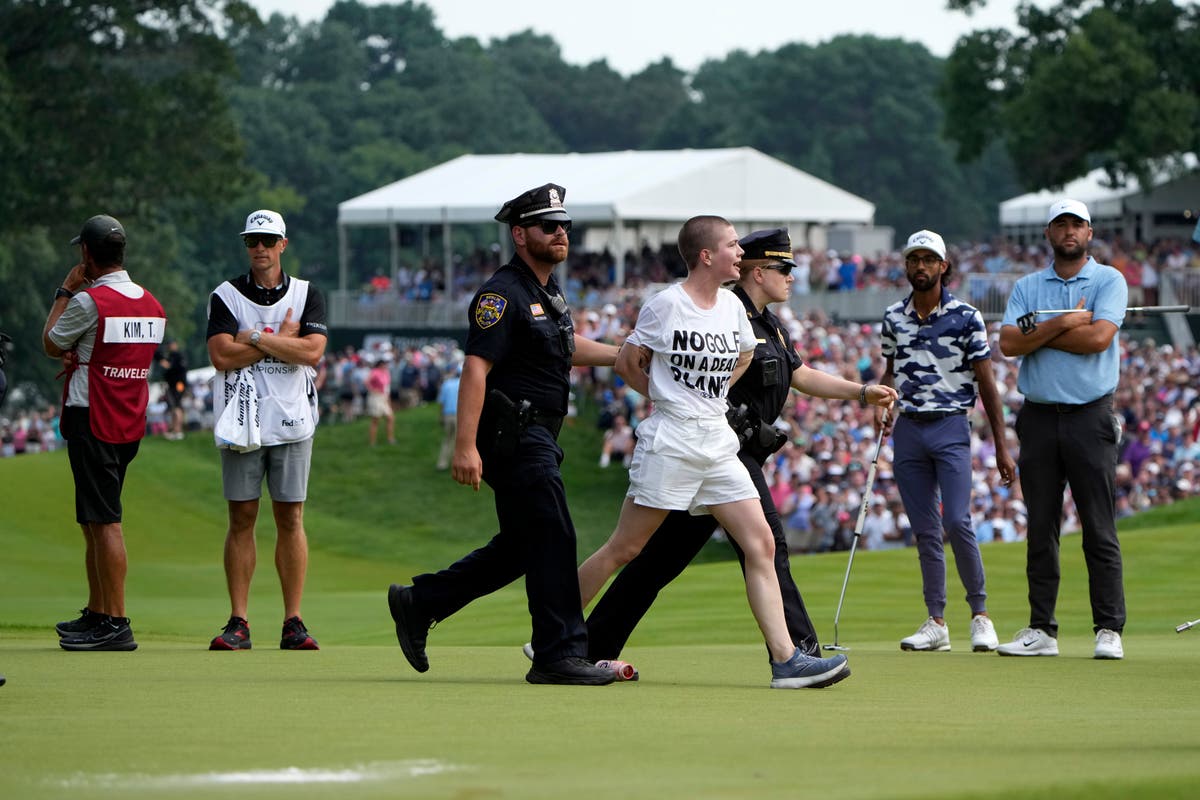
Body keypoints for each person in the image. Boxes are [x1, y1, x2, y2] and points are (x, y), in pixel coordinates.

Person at [582, 228, 895, 679]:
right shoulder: (678, 305)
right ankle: (561, 637)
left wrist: (862, 392)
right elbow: (632, 362)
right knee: (636, 550)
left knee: (737, 548)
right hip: (690, 442)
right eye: (783, 268)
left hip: (721, 449)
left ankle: (790, 658)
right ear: (756, 270)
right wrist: (673, 398)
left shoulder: (754, 318)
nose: (791, 277)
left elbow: (790, 372)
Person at [387, 183, 622, 685]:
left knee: (522, 546)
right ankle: (557, 655)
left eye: (565, 226)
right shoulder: (502, 293)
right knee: (556, 534)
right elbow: (475, 369)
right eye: (547, 226)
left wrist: (620, 354)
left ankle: (420, 602)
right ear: (520, 234)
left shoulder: (547, 290)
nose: (560, 233)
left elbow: (565, 344)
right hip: (514, 433)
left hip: (538, 434)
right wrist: (465, 445)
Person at [997, 198, 1128, 660]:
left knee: (1098, 526)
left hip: (1089, 415)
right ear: (1048, 233)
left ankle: (1109, 628)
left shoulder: (1108, 279)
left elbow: (1098, 339)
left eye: (1077, 224)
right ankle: (1042, 629)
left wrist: (1043, 330)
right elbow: (1010, 343)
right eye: (1061, 224)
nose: (1069, 231)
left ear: (1089, 233)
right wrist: (1067, 319)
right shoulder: (1029, 285)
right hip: (1038, 415)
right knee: (1040, 526)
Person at [880, 229, 1015, 653]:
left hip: (951, 427)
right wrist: (880, 401)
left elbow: (988, 386)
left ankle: (980, 614)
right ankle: (936, 622)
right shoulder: (892, 318)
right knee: (925, 531)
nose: (920, 266)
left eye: (928, 259)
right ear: (906, 266)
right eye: (914, 259)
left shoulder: (967, 317)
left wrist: (1002, 445)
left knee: (957, 521)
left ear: (944, 266)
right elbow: (890, 369)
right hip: (908, 429)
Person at [206, 209, 328, 651]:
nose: (259, 247)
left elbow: (311, 352)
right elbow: (221, 356)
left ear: (282, 244)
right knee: (241, 517)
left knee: (290, 517)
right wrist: (281, 340)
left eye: (267, 239)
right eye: (252, 240)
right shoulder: (225, 295)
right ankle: (238, 620)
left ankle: (292, 621)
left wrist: (253, 338)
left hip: (292, 419)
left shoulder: (307, 293)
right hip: (241, 419)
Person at [44, 214, 166, 651]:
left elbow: (52, 342)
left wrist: (64, 291)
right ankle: (98, 612)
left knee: (106, 522)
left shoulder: (88, 301)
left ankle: (115, 622)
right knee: (94, 521)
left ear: (87, 255)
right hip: (128, 420)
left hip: (92, 417)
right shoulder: (152, 303)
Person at [158, 339, 188, 440]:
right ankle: (175, 429)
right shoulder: (175, 356)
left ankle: (177, 430)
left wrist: (162, 361)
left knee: (176, 406)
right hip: (176, 384)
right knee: (175, 407)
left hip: (177, 384)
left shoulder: (176, 356)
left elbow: (170, 367)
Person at [365, 354, 395, 446]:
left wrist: (388, 399)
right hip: (376, 397)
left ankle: (390, 439)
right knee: (376, 420)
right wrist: (373, 390)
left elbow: (387, 387)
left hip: (384, 397)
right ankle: (372, 442)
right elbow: (366, 382)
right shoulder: (375, 372)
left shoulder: (386, 373)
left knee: (390, 418)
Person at [435, 363, 460, 470]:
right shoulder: (465, 384)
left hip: (448, 415)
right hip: (460, 416)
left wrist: (441, 416)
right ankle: (458, 465)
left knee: (447, 440)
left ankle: (442, 463)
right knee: (459, 442)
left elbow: (441, 402)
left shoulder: (447, 383)